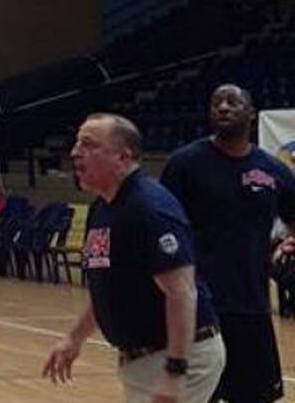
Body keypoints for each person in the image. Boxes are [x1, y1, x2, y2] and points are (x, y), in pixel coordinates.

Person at [44, 113, 224, 403]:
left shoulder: (149, 208)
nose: (76, 152)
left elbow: (182, 293)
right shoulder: (102, 208)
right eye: (77, 143)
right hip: (142, 362)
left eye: (88, 144)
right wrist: (74, 338)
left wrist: (175, 370)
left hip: (181, 356)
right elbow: (109, 290)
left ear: (123, 157)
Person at [160, 84, 295, 403]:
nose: (222, 107)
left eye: (232, 102)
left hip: (252, 304)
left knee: (255, 397)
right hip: (198, 306)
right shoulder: (184, 164)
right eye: (216, 102)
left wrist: (286, 247)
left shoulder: (273, 170)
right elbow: (162, 226)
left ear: (251, 113)